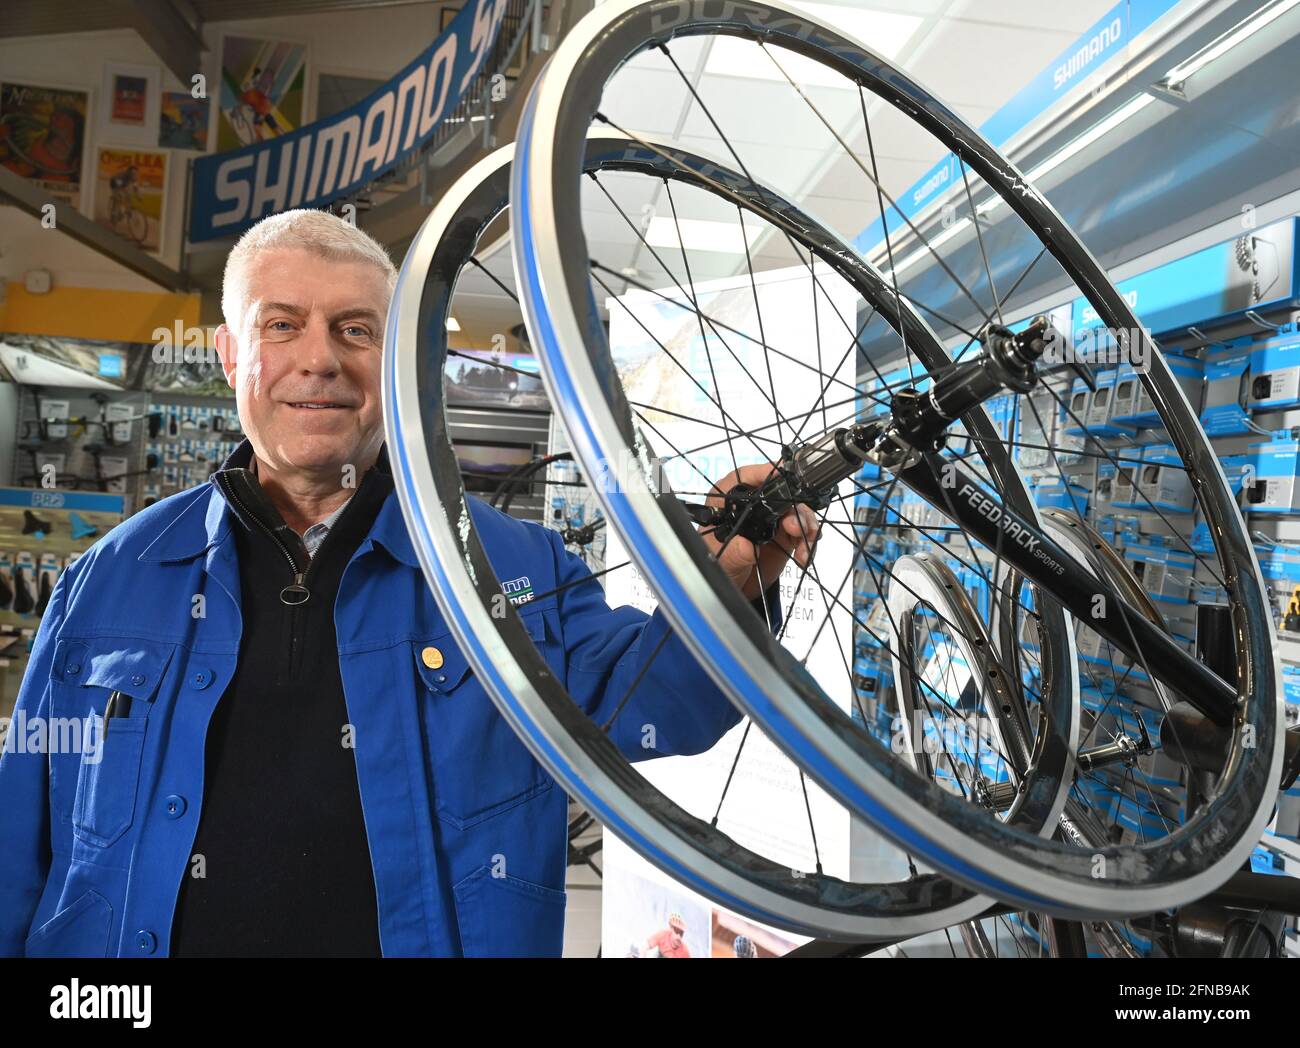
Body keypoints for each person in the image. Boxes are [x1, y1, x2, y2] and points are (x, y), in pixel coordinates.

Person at [0, 209, 819, 958]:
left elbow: (661, 707)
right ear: (229, 355)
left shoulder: (516, 571)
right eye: (280, 325)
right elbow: (17, 844)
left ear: (395, 361)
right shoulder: (106, 582)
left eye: (354, 329)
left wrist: (735, 580)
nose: (318, 358)